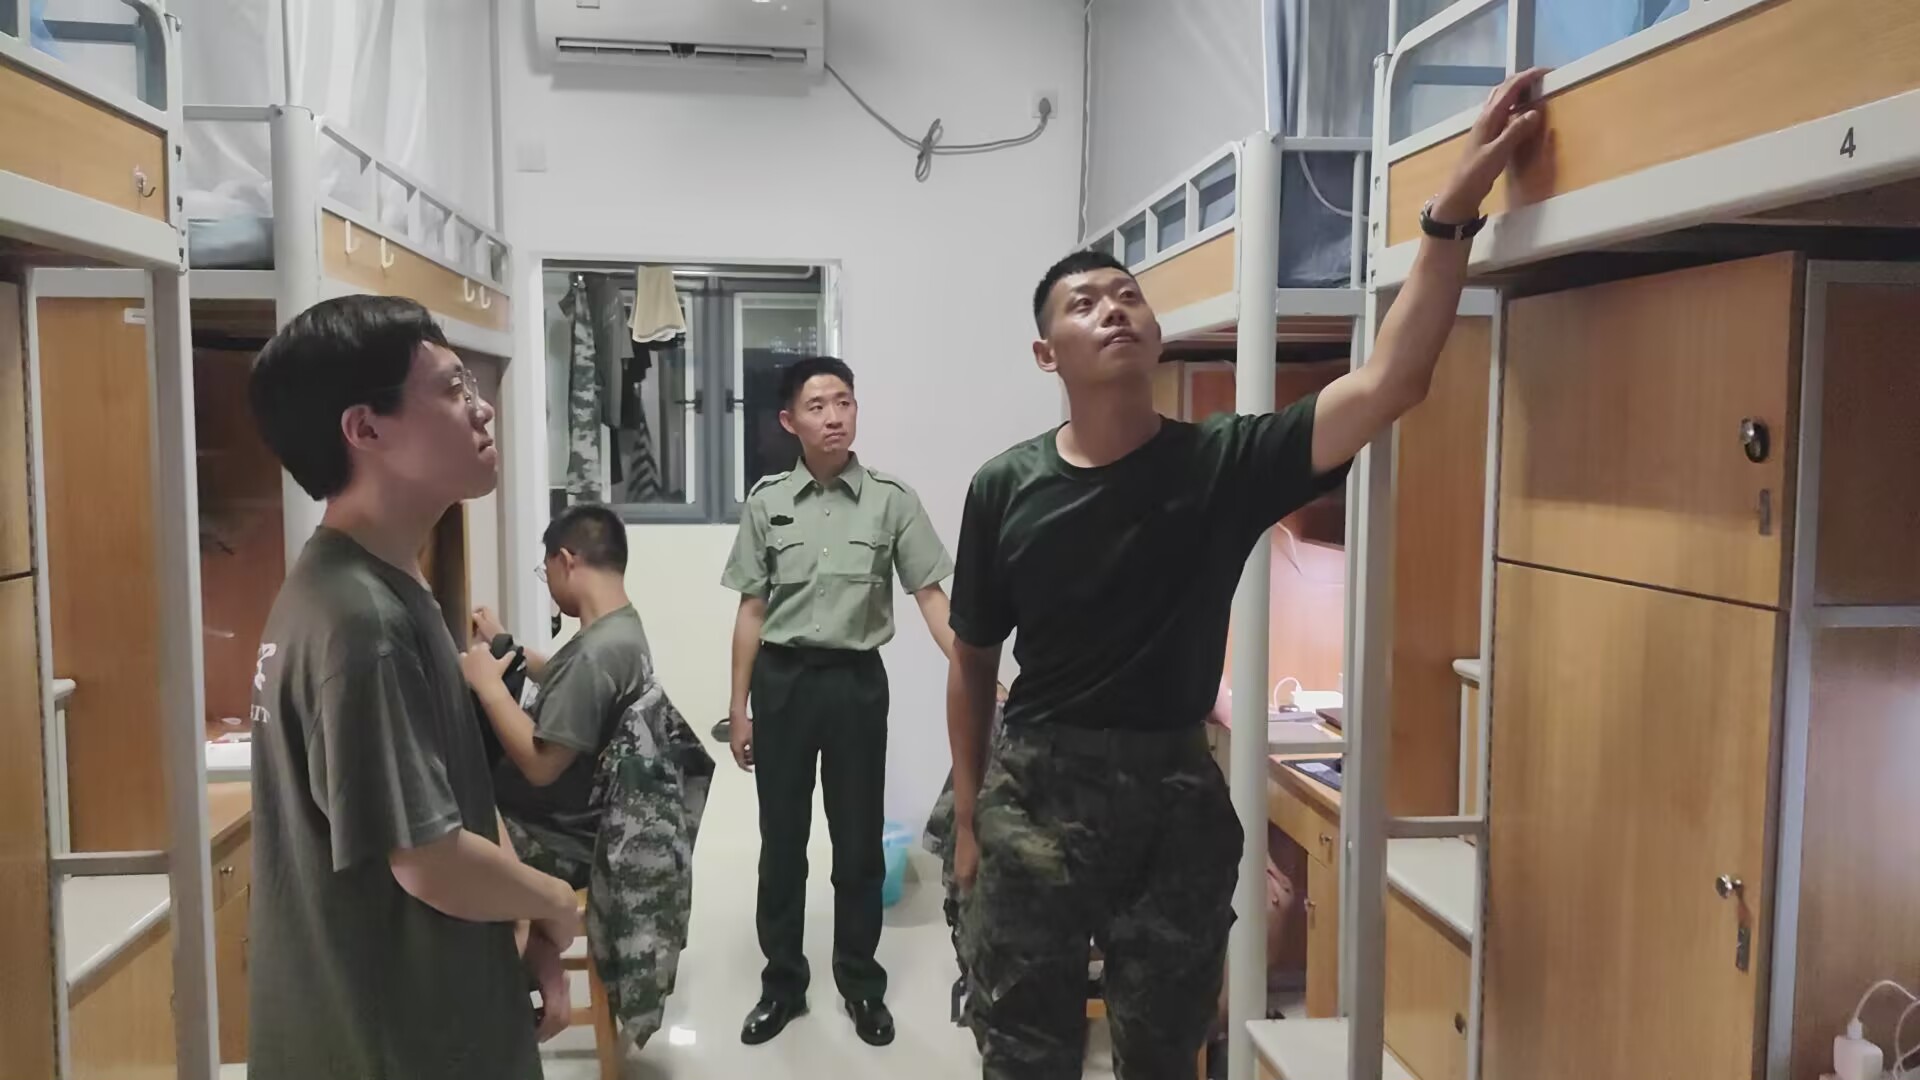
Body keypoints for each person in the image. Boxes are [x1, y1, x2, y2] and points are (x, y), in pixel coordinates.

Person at [944, 69, 1548, 1078]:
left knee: (1166, 1050)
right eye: (1085, 304)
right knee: (1022, 1052)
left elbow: (1392, 381)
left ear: (1155, 329)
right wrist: (969, 822)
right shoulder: (1005, 486)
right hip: (1037, 791)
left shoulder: (1223, 462)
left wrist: (1448, 218)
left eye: (1128, 296)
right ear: (1048, 354)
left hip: (1174, 792)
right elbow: (970, 662)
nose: (1115, 310)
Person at [245, 296, 580, 1080]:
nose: (481, 408)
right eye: (454, 389)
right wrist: (554, 900)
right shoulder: (359, 620)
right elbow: (429, 859)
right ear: (365, 429)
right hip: (391, 1039)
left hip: (437, 1008)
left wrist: (523, 927)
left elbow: (454, 799)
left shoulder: (389, 581)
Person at [720, 355, 958, 1048]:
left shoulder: (892, 500)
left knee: (857, 844)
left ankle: (861, 983)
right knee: (782, 843)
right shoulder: (766, 503)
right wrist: (739, 708)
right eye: (818, 405)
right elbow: (751, 610)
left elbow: (931, 597)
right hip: (783, 683)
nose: (834, 417)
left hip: (856, 683)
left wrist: (977, 673)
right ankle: (782, 985)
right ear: (789, 420)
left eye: (844, 402)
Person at [464, 503, 654, 887]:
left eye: (546, 571)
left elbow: (541, 767)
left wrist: (489, 687)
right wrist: (508, 645)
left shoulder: (595, 655)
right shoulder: (620, 630)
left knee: (439, 835)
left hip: (558, 842)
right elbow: (568, 681)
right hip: (582, 826)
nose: (547, 583)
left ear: (566, 561)